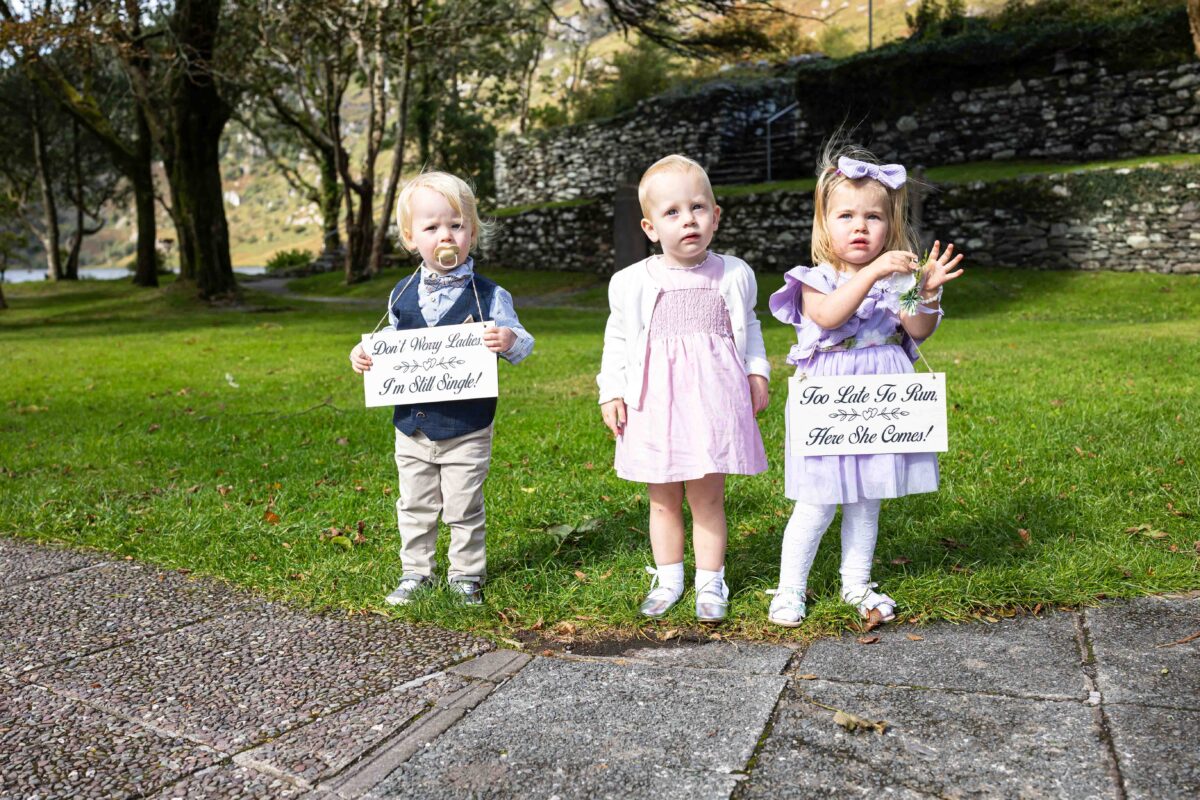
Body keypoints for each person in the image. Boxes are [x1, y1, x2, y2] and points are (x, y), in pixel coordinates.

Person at [765, 146, 964, 627]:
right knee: (817, 500)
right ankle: (790, 588)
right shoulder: (814, 279)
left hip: (880, 404)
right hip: (831, 403)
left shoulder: (900, 282)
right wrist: (874, 272)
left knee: (866, 499)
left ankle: (855, 583)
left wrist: (926, 292)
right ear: (824, 223)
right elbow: (830, 316)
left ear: (890, 225)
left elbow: (917, 329)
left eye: (873, 217)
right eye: (846, 216)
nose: (860, 226)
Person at [597, 154, 770, 623]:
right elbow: (617, 340)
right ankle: (670, 577)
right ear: (651, 228)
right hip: (656, 404)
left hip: (714, 401)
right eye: (672, 212)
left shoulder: (734, 274)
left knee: (708, 497)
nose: (688, 219)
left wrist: (757, 371)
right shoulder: (631, 282)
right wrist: (611, 391)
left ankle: (710, 580)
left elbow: (750, 325)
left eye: (697, 207)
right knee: (663, 498)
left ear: (716, 216)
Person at [349, 171, 533, 606]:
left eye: (456, 225)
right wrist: (365, 353)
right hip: (411, 426)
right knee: (414, 503)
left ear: (473, 233)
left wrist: (507, 339)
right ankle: (416, 572)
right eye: (431, 227)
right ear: (411, 238)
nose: (445, 235)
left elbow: (523, 341)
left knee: (463, 505)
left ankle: (466, 575)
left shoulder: (489, 295)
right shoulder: (401, 293)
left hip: (467, 426)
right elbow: (391, 340)